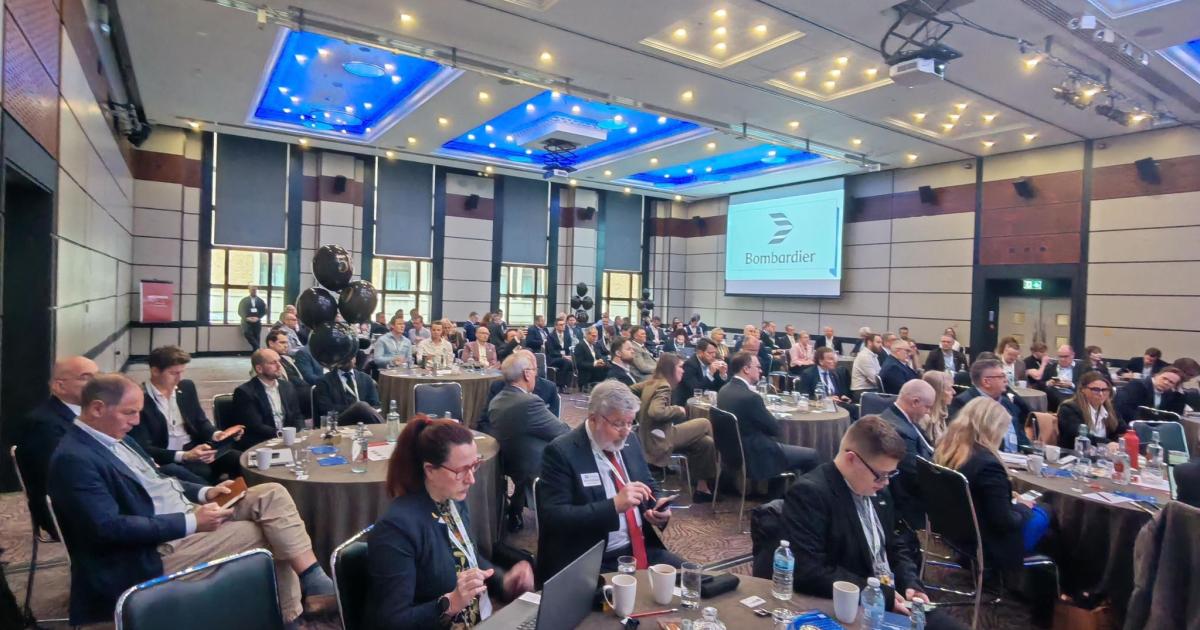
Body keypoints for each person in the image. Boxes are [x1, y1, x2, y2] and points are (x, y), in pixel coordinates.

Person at [49, 374, 336, 625]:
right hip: (153, 550)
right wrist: (190, 522)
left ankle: (312, 577)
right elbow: (108, 528)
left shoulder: (113, 437)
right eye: (129, 413)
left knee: (271, 493)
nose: (136, 421)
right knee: (264, 533)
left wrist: (205, 492)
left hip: (186, 513)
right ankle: (291, 617)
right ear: (98, 408)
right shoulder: (75, 458)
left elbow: (160, 480)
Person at [783, 417, 965, 628]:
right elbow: (809, 571)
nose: (886, 482)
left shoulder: (877, 490)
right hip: (852, 606)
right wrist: (881, 595)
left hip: (891, 596)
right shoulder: (811, 494)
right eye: (880, 475)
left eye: (890, 474)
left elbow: (894, 544)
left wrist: (909, 582)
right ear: (852, 459)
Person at [366, 417, 534, 628]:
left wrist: (504, 580)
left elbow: (468, 558)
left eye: (474, 465)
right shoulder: (397, 529)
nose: (471, 479)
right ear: (430, 470)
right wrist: (450, 603)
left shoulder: (452, 501)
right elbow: (392, 621)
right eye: (461, 470)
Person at [538, 381, 682, 581]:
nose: (625, 431)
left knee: (695, 579)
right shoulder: (562, 452)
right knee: (627, 604)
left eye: (630, 422)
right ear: (593, 418)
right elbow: (555, 518)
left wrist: (658, 504)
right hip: (594, 559)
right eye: (618, 423)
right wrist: (613, 506)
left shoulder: (630, 441)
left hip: (640, 546)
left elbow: (648, 482)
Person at [935, 397, 1050, 575]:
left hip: (955, 532)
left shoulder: (948, 449)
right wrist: (1020, 507)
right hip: (986, 540)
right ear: (993, 429)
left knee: (1047, 526)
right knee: (1047, 513)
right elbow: (1003, 520)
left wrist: (1008, 499)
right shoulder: (989, 465)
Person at [131, 346, 244, 484]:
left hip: (196, 449)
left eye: (181, 372)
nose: (179, 378)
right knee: (202, 473)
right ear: (154, 371)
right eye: (173, 373)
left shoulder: (186, 387)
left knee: (241, 460)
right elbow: (145, 448)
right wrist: (185, 456)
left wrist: (217, 435)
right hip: (169, 457)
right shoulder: (139, 400)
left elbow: (200, 421)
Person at [16, 356, 101, 533]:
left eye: (98, 376)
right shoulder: (43, 424)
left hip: (92, 495)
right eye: (86, 377)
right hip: (67, 510)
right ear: (60, 386)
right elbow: (62, 475)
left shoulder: (90, 415)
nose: (97, 384)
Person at [488, 352, 570, 531]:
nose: (535, 374)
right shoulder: (528, 402)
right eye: (534, 370)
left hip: (511, 461)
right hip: (534, 465)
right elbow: (563, 433)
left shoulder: (497, 400)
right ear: (526, 374)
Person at [718, 352, 819, 478]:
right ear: (746, 369)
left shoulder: (724, 390)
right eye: (758, 367)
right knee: (812, 455)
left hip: (731, 454)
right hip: (756, 455)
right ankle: (800, 494)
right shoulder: (751, 397)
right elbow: (775, 430)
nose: (761, 371)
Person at [630, 354, 716, 501]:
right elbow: (656, 412)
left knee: (706, 442)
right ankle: (718, 478)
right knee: (705, 423)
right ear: (671, 369)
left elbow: (629, 389)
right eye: (680, 367)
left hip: (649, 436)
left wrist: (639, 412)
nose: (683, 371)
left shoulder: (651, 382)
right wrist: (678, 410)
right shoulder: (664, 385)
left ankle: (703, 488)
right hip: (661, 438)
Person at [878, 380, 936, 534]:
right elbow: (916, 474)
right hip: (909, 502)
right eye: (927, 407)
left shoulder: (904, 419)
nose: (928, 412)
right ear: (915, 402)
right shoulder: (900, 430)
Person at [948, 359, 1030, 452]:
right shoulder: (963, 403)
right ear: (986, 382)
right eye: (1002, 376)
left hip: (1019, 459)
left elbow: (1021, 438)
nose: (1006, 380)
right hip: (988, 460)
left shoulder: (1007, 403)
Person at [232, 348, 306, 449]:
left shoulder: (287, 386)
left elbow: (297, 415)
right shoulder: (245, 392)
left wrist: (297, 432)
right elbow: (256, 426)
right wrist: (282, 434)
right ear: (259, 369)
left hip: (287, 440)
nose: (279, 366)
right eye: (273, 363)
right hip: (260, 443)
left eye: (279, 361)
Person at [1057, 371, 1126, 449]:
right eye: (1096, 390)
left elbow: (1123, 431)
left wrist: (1119, 442)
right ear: (1082, 390)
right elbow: (1079, 436)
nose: (1101, 394)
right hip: (1074, 455)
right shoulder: (1069, 408)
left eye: (1104, 390)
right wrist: (1107, 443)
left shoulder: (1111, 410)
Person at [313, 358, 382, 424]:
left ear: (355, 358)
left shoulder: (366, 378)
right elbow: (325, 408)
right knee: (361, 406)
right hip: (337, 421)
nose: (348, 359)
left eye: (351, 356)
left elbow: (375, 404)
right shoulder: (324, 381)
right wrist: (355, 409)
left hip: (364, 421)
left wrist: (361, 410)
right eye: (344, 356)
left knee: (362, 407)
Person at [1113, 367, 1185, 421]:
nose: (1166, 383)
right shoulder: (1137, 385)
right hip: (1132, 424)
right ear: (1156, 375)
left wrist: (1179, 392)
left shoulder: (1168, 393)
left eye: (1171, 382)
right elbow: (1127, 411)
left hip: (1154, 426)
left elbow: (1172, 415)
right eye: (1164, 378)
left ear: (1174, 386)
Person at [674, 338, 728, 406]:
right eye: (710, 353)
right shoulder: (689, 365)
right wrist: (710, 374)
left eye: (715, 352)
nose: (714, 355)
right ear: (700, 353)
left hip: (708, 402)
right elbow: (696, 390)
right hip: (689, 405)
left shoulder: (713, 362)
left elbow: (718, 388)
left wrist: (722, 374)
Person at [920, 370, 955, 445]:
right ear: (938, 391)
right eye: (949, 389)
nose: (954, 392)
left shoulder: (942, 414)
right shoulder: (923, 418)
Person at [573, 326, 609, 390]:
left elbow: (600, 356)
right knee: (609, 371)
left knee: (609, 366)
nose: (595, 338)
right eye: (593, 336)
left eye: (596, 336)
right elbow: (579, 364)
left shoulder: (595, 345)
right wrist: (594, 364)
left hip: (596, 370)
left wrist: (602, 361)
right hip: (586, 373)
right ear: (587, 335)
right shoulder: (580, 346)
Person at [545, 317, 575, 389]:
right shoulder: (551, 336)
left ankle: (568, 384)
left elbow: (569, 349)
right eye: (560, 325)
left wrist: (569, 356)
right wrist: (563, 356)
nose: (563, 326)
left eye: (564, 324)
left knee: (573, 361)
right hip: (553, 358)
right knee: (565, 362)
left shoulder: (567, 336)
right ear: (556, 326)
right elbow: (551, 351)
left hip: (565, 357)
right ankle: (561, 385)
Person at [851, 333, 883, 399]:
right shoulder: (865, 356)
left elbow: (880, 375)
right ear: (869, 342)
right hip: (862, 391)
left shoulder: (873, 355)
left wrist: (876, 378)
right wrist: (876, 379)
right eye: (878, 342)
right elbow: (875, 380)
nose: (881, 345)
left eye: (881, 342)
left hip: (870, 389)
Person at [237, 286, 267, 351]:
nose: (253, 291)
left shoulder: (260, 301)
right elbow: (240, 311)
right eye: (252, 290)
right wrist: (247, 318)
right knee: (247, 333)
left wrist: (258, 318)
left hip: (257, 321)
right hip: (246, 321)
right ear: (249, 291)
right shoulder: (244, 300)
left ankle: (256, 352)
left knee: (257, 336)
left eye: (255, 290)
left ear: (257, 291)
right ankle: (258, 348)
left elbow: (264, 311)